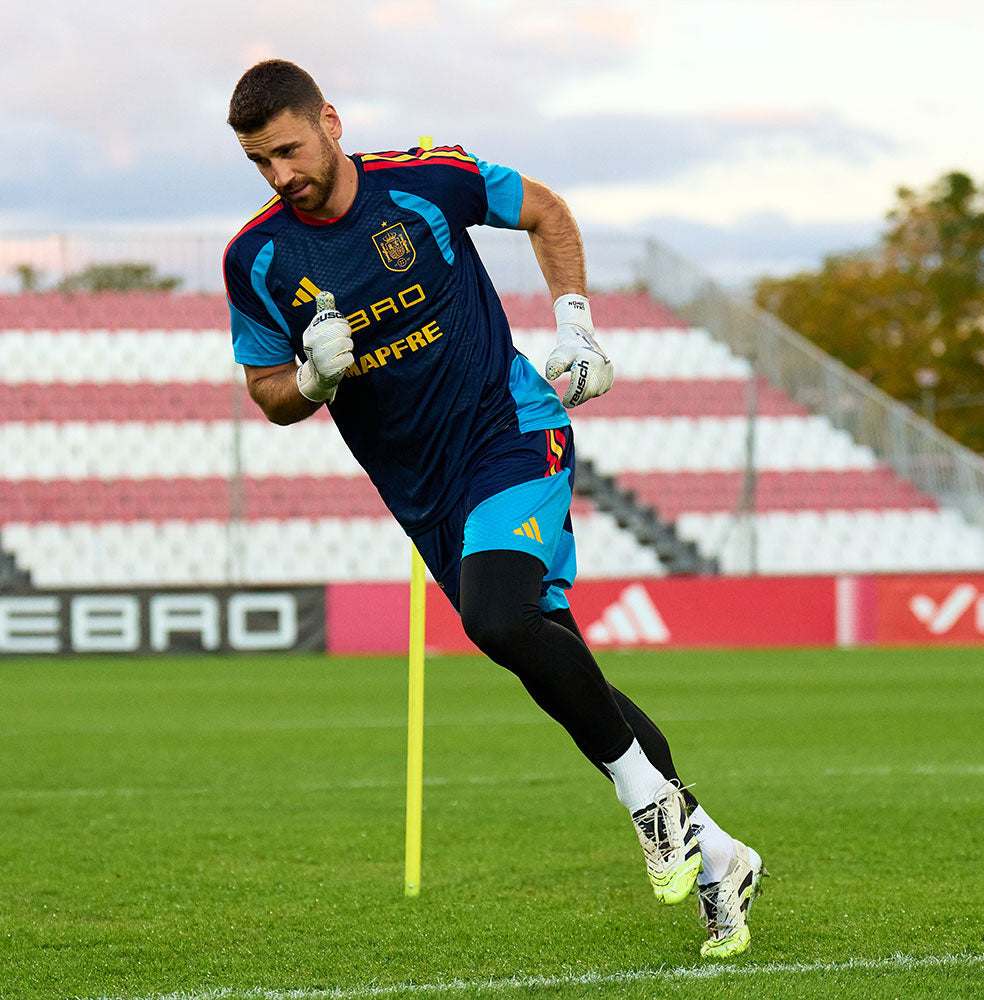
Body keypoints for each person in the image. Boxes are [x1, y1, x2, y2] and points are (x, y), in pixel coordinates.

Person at [223, 59, 767, 959]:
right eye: (258, 162)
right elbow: (267, 390)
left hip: (510, 430)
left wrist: (576, 323)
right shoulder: (258, 257)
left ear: (329, 119)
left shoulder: (430, 180)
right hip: (423, 491)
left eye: (287, 149)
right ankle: (718, 855)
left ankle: (649, 804)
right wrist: (313, 378)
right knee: (554, 663)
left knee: (497, 617)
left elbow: (546, 211)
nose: (281, 175)